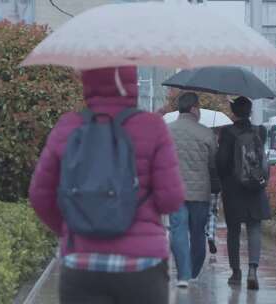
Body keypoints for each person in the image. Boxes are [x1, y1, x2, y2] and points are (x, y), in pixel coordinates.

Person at [29, 66, 185, 304]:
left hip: (81, 262)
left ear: (88, 81)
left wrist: (71, 227)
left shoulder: (68, 126)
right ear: (132, 82)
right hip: (142, 265)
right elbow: (171, 199)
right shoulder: (152, 127)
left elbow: (40, 195)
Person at [216, 96, 271, 291]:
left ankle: (236, 273)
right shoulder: (260, 131)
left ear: (233, 112)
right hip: (256, 187)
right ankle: (253, 270)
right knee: (254, 228)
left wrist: (221, 181)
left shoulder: (227, 133)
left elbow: (221, 164)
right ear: (250, 111)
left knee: (234, 232)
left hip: (233, 190)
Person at [168, 92, 219, 288]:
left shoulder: (167, 131)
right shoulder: (206, 133)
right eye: (198, 107)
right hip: (200, 193)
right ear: (193, 109)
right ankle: (194, 273)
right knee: (198, 233)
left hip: (175, 191)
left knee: (178, 231)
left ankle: (183, 273)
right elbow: (214, 165)